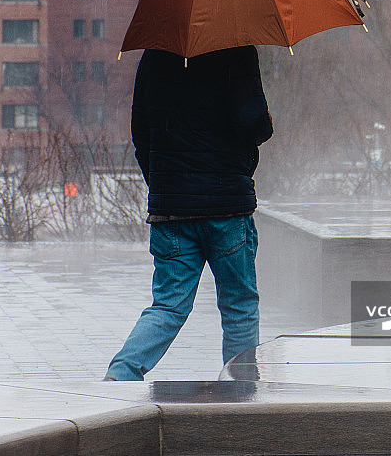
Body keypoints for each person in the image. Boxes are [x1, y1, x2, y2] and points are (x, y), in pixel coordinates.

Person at [105, 45, 273, 381]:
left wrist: (165, 188)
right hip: (227, 206)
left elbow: (140, 133)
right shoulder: (237, 50)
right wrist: (264, 123)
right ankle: (242, 389)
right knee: (239, 307)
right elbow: (251, 123)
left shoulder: (155, 55)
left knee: (168, 306)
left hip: (171, 210)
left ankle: (120, 376)